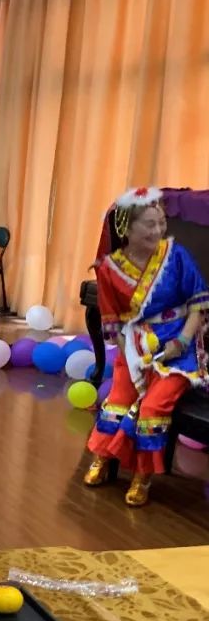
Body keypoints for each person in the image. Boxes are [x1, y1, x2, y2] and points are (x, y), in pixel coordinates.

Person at [84, 187, 207, 506]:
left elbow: (199, 305)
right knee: (117, 401)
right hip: (134, 348)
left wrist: (181, 341)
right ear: (127, 229)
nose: (158, 230)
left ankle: (143, 476)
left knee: (152, 408)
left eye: (161, 223)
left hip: (177, 350)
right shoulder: (109, 269)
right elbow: (112, 323)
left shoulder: (177, 257)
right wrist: (133, 356)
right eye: (149, 224)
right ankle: (103, 458)